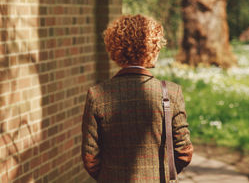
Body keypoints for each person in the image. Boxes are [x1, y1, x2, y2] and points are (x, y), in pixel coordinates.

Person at [82, 14, 193, 182]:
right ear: (152, 49)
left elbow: (90, 157)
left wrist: (111, 176)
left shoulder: (98, 94)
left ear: (115, 49)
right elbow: (184, 151)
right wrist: (158, 172)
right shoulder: (171, 92)